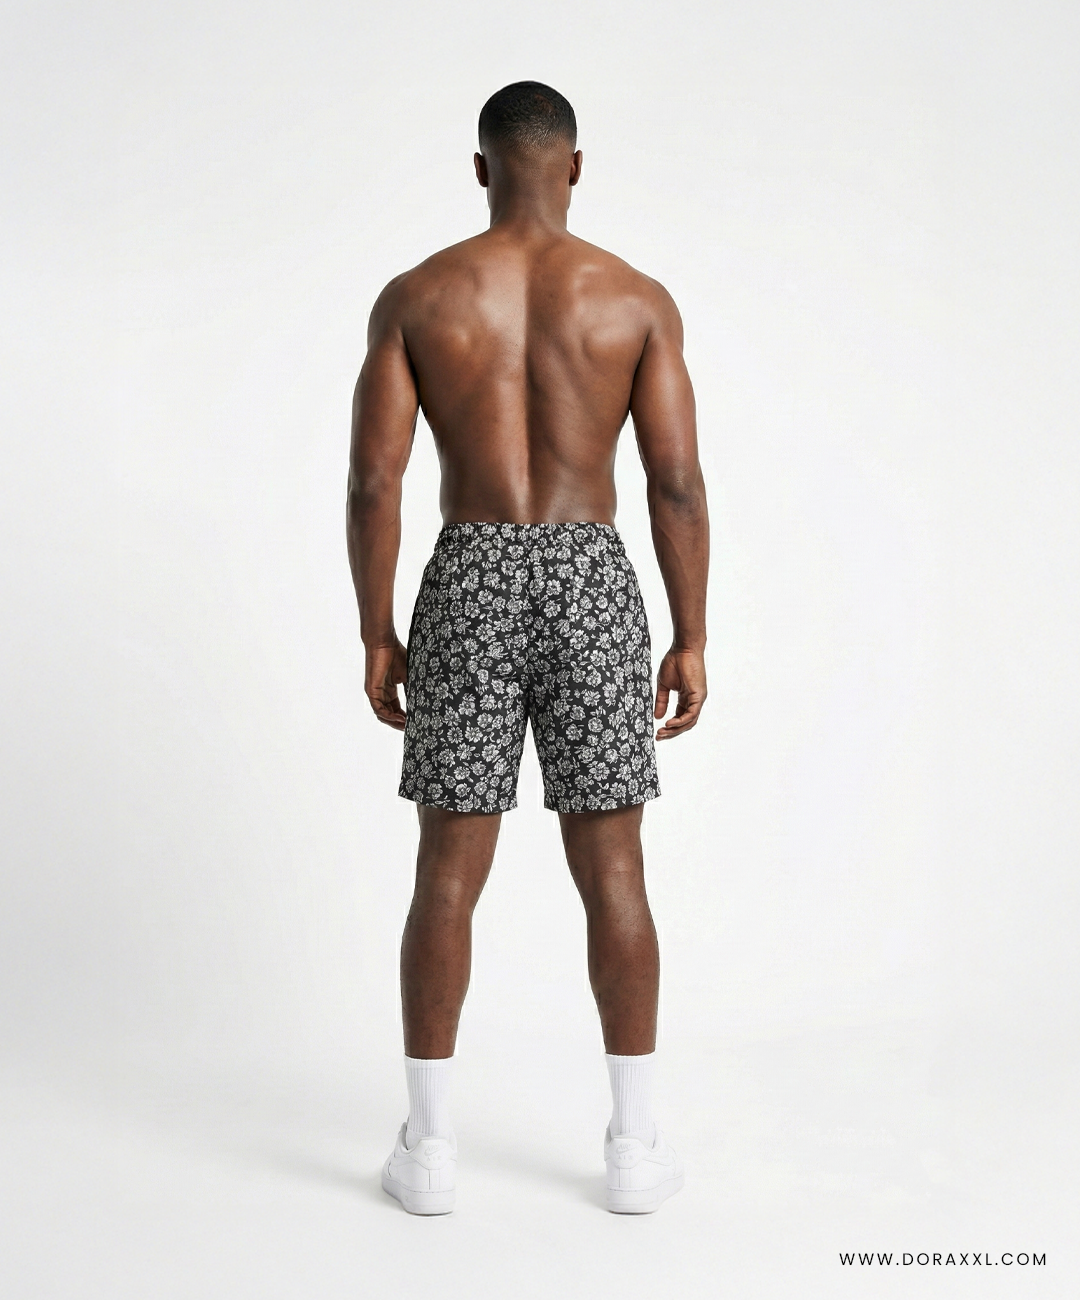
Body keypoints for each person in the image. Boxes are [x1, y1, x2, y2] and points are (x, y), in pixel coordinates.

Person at [346, 81, 708, 1215]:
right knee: (616, 870)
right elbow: (675, 483)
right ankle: (634, 1150)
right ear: (576, 167)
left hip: (469, 575)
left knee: (446, 873)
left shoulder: (419, 296)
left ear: (480, 168)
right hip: (593, 577)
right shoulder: (635, 299)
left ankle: (430, 1153)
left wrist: (377, 630)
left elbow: (373, 483)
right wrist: (692, 635)